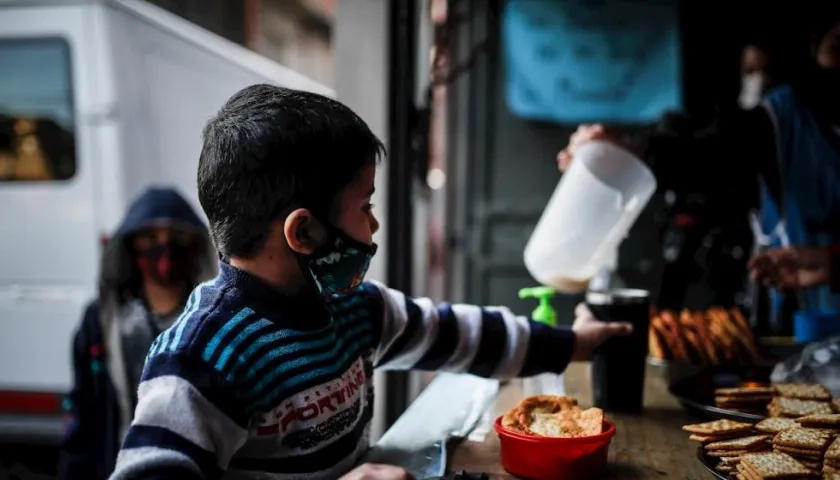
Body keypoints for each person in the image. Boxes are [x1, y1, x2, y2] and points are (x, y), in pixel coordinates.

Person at [108, 85, 633, 480]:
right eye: (365, 206)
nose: (374, 225)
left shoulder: (353, 308)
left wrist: (572, 344)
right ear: (303, 231)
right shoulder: (200, 359)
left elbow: (458, 335)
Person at [557, 19, 840, 316]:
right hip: (805, 325)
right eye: (836, 44)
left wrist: (832, 262)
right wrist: (628, 152)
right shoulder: (785, 120)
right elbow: (710, 155)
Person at [60, 186, 217, 480]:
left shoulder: (212, 319)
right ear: (131, 247)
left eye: (177, 237)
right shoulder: (103, 322)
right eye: (150, 238)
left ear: (196, 245)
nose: (165, 248)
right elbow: (83, 415)